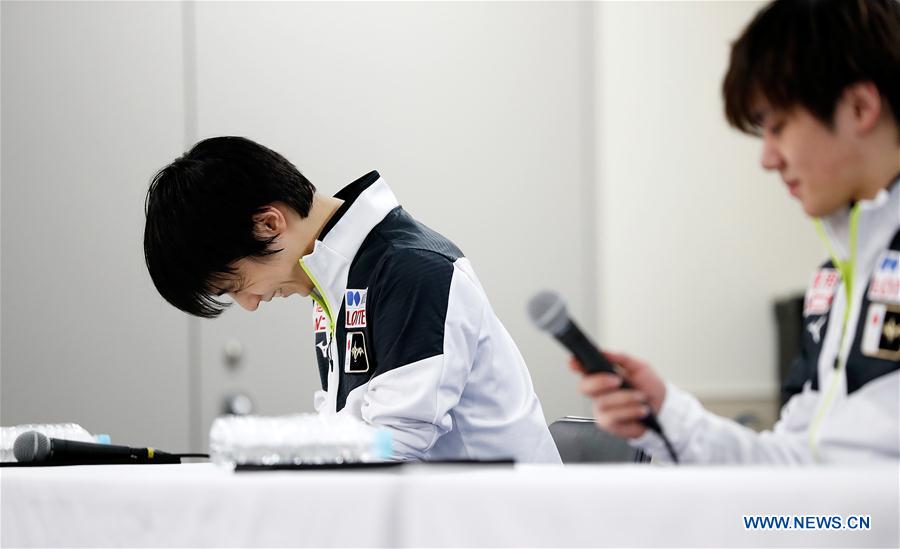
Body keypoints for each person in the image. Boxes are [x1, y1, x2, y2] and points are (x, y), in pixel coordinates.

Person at [575, 0, 900, 463]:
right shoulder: (841, 275)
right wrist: (667, 414)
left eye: (778, 127)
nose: (767, 159)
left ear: (860, 106)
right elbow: (803, 471)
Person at [144, 137, 561, 463]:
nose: (249, 304)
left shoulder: (413, 270)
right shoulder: (334, 278)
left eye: (236, 284)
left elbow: (395, 442)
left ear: (268, 223)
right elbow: (349, 431)